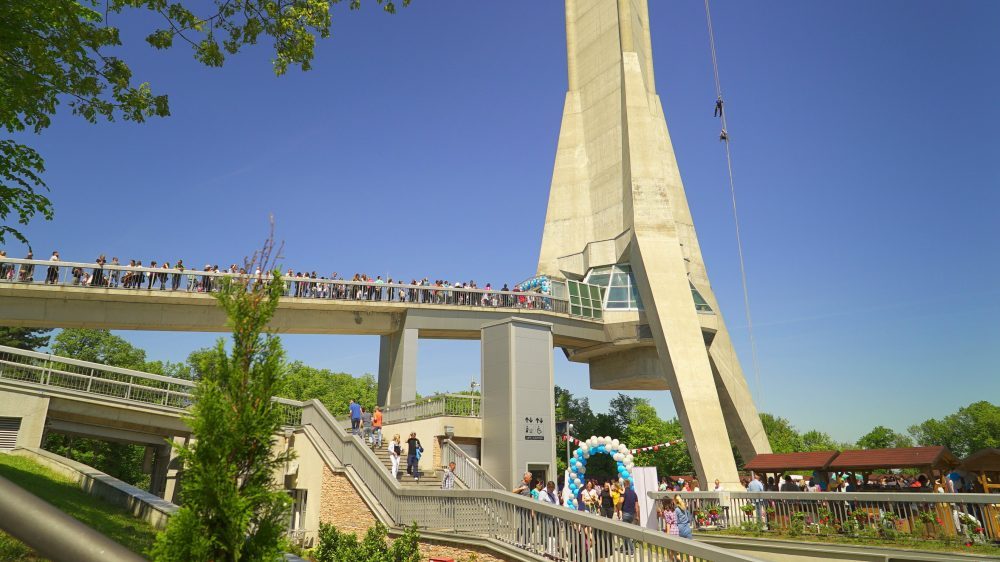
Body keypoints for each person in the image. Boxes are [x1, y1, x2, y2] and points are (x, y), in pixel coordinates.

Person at [620, 479, 639, 554]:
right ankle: (624, 547)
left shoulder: (624, 492)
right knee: (627, 531)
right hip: (632, 514)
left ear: (624, 485)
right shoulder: (634, 493)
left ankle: (631, 549)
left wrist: (617, 503)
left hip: (626, 513)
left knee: (626, 532)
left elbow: (621, 501)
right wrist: (637, 515)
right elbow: (637, 505)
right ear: (629, 484)